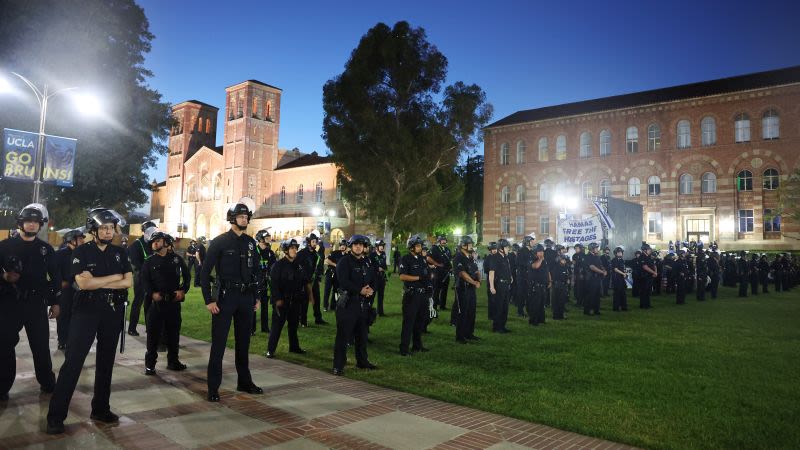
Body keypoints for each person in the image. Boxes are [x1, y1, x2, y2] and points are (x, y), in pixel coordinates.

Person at [47, 208, 132, 434]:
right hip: (86, 311)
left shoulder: (120, 253)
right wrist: (116, 277)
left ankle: (101, 409)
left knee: (106, 362)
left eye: (110, 227)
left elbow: (129, 282)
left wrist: (101, 281)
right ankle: (56, 416)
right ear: (93, 229)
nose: (108, 231)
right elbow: (83, 284)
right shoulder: (81, 252)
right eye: (103, 227)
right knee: (73, 362)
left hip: (112, 311)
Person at [199, 198, 263, 402]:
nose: (244, 219)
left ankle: (244, 382)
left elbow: (257, 272)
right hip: (225, 298)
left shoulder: (251, 243)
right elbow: (204, 272)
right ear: (232, 218)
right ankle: (213, 387)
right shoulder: (219, 242)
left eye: (246, 216)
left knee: (243, 343)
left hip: (246, 298)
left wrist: (257, 296)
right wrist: (209, 300)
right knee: (218, 344)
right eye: (240, 216)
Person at [0, 204, 60, 402]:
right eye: (29, 221)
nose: (32, 225)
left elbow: (56, 277)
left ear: (40, 224)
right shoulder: (5, 246)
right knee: (4, 345)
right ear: (21, 223)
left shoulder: (46, 249)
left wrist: (55, 302)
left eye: (36, 222)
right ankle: (2, 386)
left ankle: (47, 382)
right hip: (10, 304)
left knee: (41, 345)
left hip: (36, 304)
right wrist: (4, 277)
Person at [140, 231, 190, 375]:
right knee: (153, 335)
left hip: (173, 303)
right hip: (156, 304)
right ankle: (150, 365)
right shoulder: (149, 261)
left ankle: (173, 362)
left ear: (166, 243)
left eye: (158, 241)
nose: (154, 243)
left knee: (173, 334)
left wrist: (183, 291)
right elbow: (144, 281)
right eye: (153, 241)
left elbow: (186, 277)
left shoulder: (176, 259)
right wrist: (152, 294)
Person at [332, 235, 377, 375]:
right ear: (351, 246)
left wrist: (372, 289)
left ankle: (362, 361)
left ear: (364, 247)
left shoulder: (367, 261)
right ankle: (338, 365)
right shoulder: (344, 262)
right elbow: (343, 281)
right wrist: (360, 290)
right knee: (343, 336)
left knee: (362, 336)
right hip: (348, 304)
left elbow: (375, 278)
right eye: (355, 244)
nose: (358, 247)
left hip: (363, 305)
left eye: (361, 245)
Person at [266, 239, 310, 358]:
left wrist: (308, 296)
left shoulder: (298, 265)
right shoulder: (278, 265)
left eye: (296, 248)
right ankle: (270, 350)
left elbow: (304, 281)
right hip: (282, 301)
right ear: (286, 250)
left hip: (295, 301)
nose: (295, 250)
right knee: (277, 326)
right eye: (292, 248)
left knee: (293, 326)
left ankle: (294, 347)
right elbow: (273, 284)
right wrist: (278, 299)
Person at [398, 235, 430, 355]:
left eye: (420, 245)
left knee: (420, 322)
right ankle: (404, 349)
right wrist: (418, 277)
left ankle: (417, 345)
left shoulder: (422, 259)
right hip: (411, 295)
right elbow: (402, 276)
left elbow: (426, 275)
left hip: (422, 295)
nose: (420, 247)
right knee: (409, 322)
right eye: (418, 246)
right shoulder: (405, 259)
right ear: (411, 247)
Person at [55, 228, 86, 350]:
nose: (83, 240)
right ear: (72, 240)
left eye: (83, 238)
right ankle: (62, 340)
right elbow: (53, 272)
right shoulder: (60, 254)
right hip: (65, 291)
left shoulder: (84, 254)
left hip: (81, 290)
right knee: (63, 317)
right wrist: (60, 282)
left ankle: (75, 340)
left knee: (79, 317)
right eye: (80, 238)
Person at [127, 220, 158, 336]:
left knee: (149, 303)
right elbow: (135, 264)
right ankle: (132, 328)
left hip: (151, 277)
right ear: (144, 232)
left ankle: (149, 327)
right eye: (150, 231)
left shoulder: (152, 244)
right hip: (140, 277)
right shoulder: (136, 245)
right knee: (138, 301)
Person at [453, 235, 480, 343]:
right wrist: (474, 282)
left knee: (471, 312)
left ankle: (469, 334)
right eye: (470, 244)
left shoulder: (470, 257)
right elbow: (462, 273)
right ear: (463, 245)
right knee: (462, 313)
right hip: (462, 288)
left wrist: (478, 279)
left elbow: (476, 270)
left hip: (471, 289)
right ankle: (460, 337)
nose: (471, 246)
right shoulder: (458, 257)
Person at [297, 232, 326, 326]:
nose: (315, 243)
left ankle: (318, 318)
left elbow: (319, 267)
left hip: (314, 281)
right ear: (309, 242)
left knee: (317, 300)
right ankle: (303, 321)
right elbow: (297, 266)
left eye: (315, 242)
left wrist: (318, 278)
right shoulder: (301, 253)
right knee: (304, 301)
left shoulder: (316, 255)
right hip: (304, 282)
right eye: (313, 241)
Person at [252, 229, 276, 335]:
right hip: (255, 282)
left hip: (266, 282)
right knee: (254, 306)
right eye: (266, 238)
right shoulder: (253, 252)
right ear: (260, 239)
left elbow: (274, 267)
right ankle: (251, 329)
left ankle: (265, 327)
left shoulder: (270, 253)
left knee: (265, 305)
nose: (269, 240)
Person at [489, 239, 513, 332]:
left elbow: (507, 269)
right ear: (501, 248)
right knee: (499, 306)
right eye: (507, 247)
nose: (508, 249)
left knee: (505, 307)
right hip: (499, 285)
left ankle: (502, 326)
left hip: (506, 285)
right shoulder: (495, 257)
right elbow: (492, 272)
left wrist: (510, 276)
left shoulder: (505, 257)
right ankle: (496, 327)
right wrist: (492, 286)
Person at [428, 235, 452, 310]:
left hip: (446, 272)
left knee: (445, 290)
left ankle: (442, 306)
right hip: (437, 272)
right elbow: (428, 258)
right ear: (439, 241)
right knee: (436, 289)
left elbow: (449, 260)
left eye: (445, 240)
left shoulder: (447, 249)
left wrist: (450, 267)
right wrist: (437, 264)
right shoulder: (434, 248)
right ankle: (434, 306)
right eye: (442, 240)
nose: (444, 241)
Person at [527, 244, 550, 324]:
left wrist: (549, 281)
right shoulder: (531, 259)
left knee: (541, 304)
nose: (541, 253)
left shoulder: (544, 260)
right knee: (535, 304)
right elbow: (535, 266)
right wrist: (540, 259)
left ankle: (541, 319)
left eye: (542, 251)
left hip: (542, 285)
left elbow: (547, 271)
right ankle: (533, 320)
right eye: (539, 251)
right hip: (534, 285)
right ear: (535, 252)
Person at [324, 239, 347, 311]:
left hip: (338, 276)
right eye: (341, 245)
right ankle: (325, 306)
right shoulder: (334, 252)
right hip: (330, 273)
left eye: (344, 245)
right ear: (339, 246)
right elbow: (327, 260)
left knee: (336, 291)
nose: (342, 247)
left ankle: (333, 306)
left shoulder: (347, 256)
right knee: (327, 290)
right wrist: (335, 265)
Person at [583, 243, 605, 315]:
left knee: (597, 295)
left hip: (597, 278)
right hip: (590, 279)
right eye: (596, 248)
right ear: (592, 249)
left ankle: (596, 310)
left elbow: (600, 265)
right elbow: (592, 267)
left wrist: (604, 270)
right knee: (590, 295)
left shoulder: (597, 256)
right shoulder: (588, 257)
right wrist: (602, 272)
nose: (597, 249)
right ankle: (588, 310)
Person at [515, 236, 534, 317]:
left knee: (529, 294)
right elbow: (518, 262)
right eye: (531, 241)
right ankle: (520, 311)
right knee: (521, 294)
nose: (533, 243)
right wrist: (529, 264)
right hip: (522, 276)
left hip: (529, 276)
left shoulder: (532, 251)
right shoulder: (521, 251)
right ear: (527, 242)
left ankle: (529, 310)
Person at [370, 239, 388, 317]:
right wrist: (377, 269)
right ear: (376, 247)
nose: (382, 247)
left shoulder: (383, 254)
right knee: (372, 295)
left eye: (383, 246)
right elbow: (369, 267)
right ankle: (368, 310)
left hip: (382, 277)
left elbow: (384, 265)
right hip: (374, 278)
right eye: (380, 246)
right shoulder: (372, 255)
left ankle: (380, 312)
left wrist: (385, 269)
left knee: (381, 295)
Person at [639, 243, 657, 309]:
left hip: (649, 276)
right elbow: (645, 267)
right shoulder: (642, 257)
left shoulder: (649, 257)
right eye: (648, 249)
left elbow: (654, 265)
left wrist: (655, 272)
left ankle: (647, 304)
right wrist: (654, 272)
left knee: (648, 291)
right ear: (644, 250)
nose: (650, 251)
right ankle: (643, 305)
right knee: (644, 291)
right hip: (644, 277)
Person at [484, 242, 498, 321]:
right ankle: (491, 315)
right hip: (490, 281)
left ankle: (496, 313)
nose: (495, 250)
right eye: (493, 249)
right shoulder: (488, 258)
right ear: (490, 250)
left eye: (495, 248)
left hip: (498, 281)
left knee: (497, 299)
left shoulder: (498, 257)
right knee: (491, 299)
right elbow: (486, 270)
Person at [611, 246, 628, 311]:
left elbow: (623, 269)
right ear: (615, 253)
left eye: (621, 252)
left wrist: (624, 274)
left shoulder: (622, 260)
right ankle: (616, 308)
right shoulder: (614, 260)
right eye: (619, 252)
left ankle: (624, 307)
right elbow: (615, 269)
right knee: (617, 294)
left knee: (623, 293)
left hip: (621, 279)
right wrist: (623, 274)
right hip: (616, 278)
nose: (620, 253)